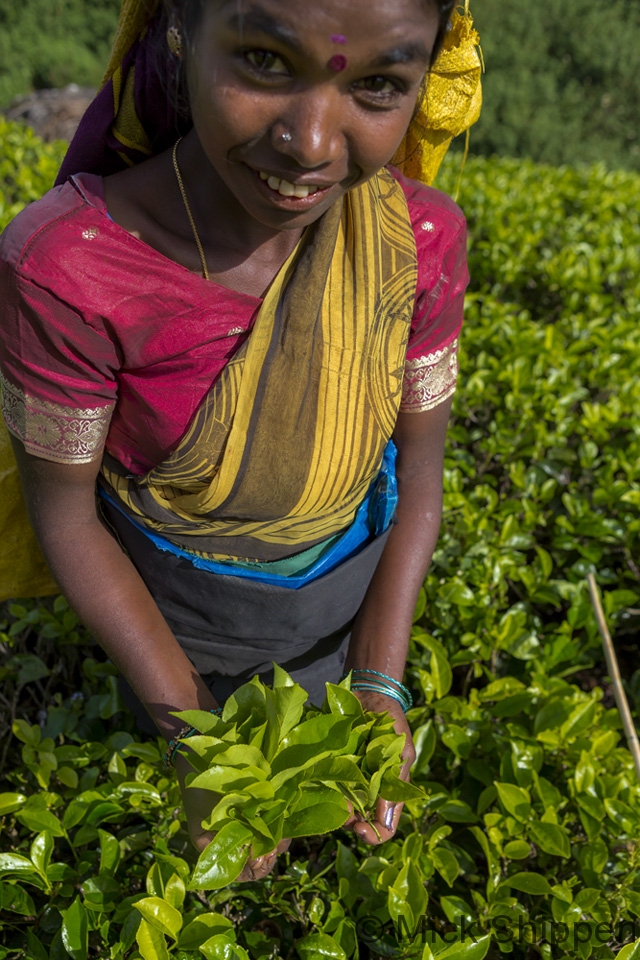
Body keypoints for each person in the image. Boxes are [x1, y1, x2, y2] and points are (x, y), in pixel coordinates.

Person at [0, 0, 478, 879]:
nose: (310, 144)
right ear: (180, 27)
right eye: (262, 61)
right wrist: (194, 740)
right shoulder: (71, 269)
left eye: (377, 84)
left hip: (348, 611)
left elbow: (419, 467)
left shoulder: (417, 241)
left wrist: (377, 680)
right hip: (165, 631)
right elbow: (66, 518)